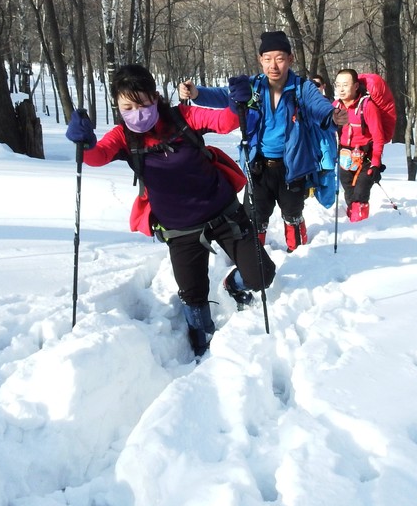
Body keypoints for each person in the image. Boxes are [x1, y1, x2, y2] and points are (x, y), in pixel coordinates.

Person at [66, 63, 276, 361]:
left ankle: (234, 283)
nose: (136, 113)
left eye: (142, 103)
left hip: (224, 212)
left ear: (155, 96)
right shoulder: (124, 136)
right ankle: (203, 345)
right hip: (180, 229)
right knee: (193, 297)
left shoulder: (182, 117)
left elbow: (226, 122)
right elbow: (96, 157)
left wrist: (236, 101)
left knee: (261, 274)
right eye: (127, 107)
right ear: (118, 106)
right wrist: (84, 142)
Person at [179, 31, 348, 252]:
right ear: (260, 60)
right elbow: (224, 96)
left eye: (279, 58)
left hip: (293, 167)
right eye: (267, 59)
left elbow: (319, 106)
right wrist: (196, 92)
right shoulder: (253, 87)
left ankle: (299, 255)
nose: (273, 65)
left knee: (293, 213)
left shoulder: (302, 88)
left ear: (290, 58)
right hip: (258, 165)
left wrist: (333, 117)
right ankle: (255, 257)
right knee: (254, 215)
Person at [333, 68, 386, 222]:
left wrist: (376, 163)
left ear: (356, 86)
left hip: (366, 156)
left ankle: (360, 226)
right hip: (345, 156)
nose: (341, 89)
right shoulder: (336, 106)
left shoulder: (367, 106)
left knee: (361, 192)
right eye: (338, 85)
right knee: (348, 191)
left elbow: (378, 136)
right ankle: (351, 221)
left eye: (345, 85)